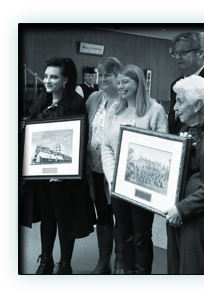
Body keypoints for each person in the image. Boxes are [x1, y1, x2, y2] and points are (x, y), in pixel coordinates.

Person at [19, 57, 95, 274]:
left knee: (65, 219)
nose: (47, 80)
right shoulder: (41, 101)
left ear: (66, 79)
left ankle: (65, 263)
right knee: (48, 218)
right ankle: (46, 260)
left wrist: (65, 171)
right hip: (42, 176)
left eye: (54, 76)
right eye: (46, 76)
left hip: (65, 177)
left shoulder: (75, 104)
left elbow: (79, 141)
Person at [101, 64, 168, 274]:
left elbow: (163, 148)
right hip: (118, 185)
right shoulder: (114, 109)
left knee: (141, 236)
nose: (120, 86)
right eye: (118, 82)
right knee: (123, 233)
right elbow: (106, 146)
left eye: (125, 82)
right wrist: (113, 177)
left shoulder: (154, 110)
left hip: (143, 186)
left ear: (138, 82)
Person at [163, 75, 204, 274]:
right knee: (175, 267)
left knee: (193, 271)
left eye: (180, 101)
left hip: (197, 217)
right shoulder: (185, 128)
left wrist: (182, 209)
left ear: (197, 105)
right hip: (176, 212)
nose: (174, 107)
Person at [85, 57, 124, 274]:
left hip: (117, 172)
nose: (102, 80)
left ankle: (120, 259)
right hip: (96, 170)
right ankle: (103, 260)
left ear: (118, 76)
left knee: (120, 215)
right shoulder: (93, 98)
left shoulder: (126, 100)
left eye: (107, 76)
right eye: (100, 75)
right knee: (103, 215)